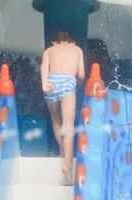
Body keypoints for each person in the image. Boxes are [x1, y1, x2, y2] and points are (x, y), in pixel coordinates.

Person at [41, 29, 85, 185]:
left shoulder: (49, 50)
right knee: (68, 125)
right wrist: (76, 85)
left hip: (51, 83)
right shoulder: (77, 49)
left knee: (55, 118)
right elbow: (81, 75)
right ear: (71, 41)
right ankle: (67, 164)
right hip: (68, 83)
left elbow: (44, 70)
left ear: (54, 41)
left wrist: (45, 83)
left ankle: (61, 149)